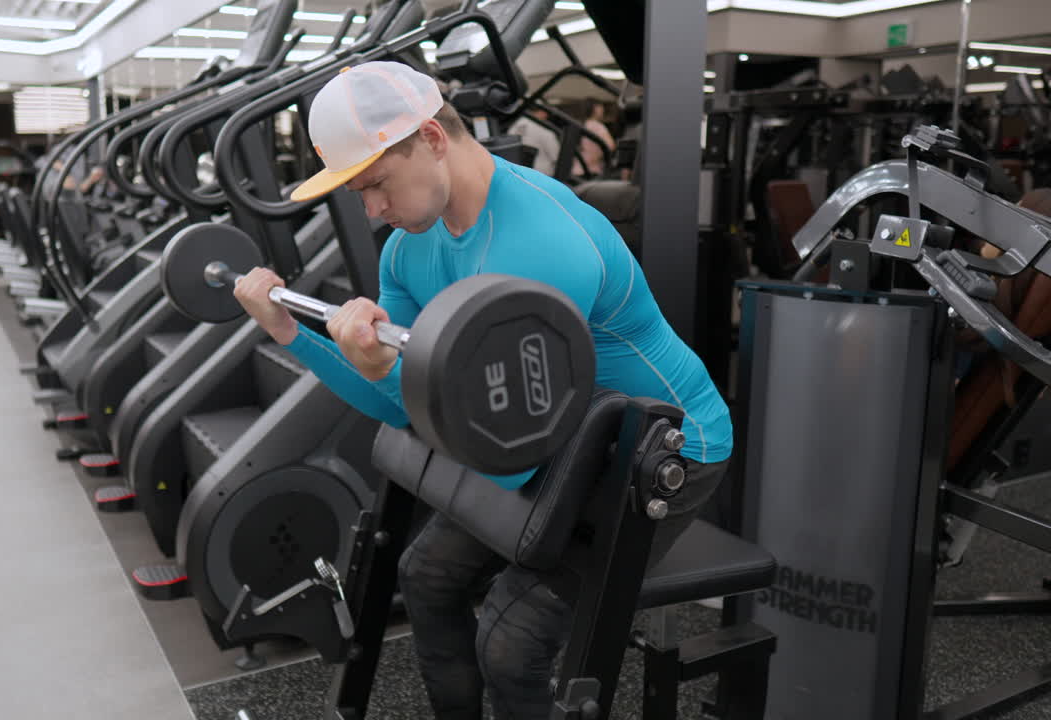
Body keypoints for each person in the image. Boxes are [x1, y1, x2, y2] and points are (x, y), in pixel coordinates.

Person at [231, 62, 732, 720]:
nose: (373, 210)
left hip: (662, 451)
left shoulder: (541, 246)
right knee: (426, 579)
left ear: (434, 140)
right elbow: (398, 406)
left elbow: (509, 453)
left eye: (376, 184)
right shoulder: (407, 252)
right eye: (358, 194)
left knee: (510, 639)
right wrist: (292, 331)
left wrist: (387, 369)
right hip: (559, 437)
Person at [507, 106, 560, 177]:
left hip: (517, 172)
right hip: (540, 175)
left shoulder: (518, 124)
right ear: (542, 112)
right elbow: (557, 156)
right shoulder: (545, 130)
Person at [576, 99, 615, 178]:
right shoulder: (598, 126)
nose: (603, 110)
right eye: (600, 107)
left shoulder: (580, 125)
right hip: (592, 171)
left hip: (576, 171)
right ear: (595, 109)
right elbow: (610, 146)